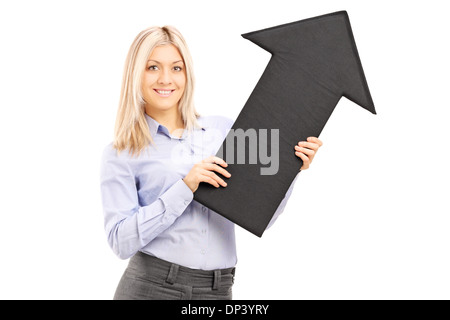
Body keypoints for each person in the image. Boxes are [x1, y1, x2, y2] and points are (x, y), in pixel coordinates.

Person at [100, 25, 323, 300]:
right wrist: (186, 186)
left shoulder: (224, 131)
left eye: (176, 68)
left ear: (187, 73)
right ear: (136, 74)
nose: (166, 79)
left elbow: (260, 217)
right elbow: (120, 242)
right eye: (153, 67)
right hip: (151, 287)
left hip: (217, 290)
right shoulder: (121, 152)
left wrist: (291, 169)